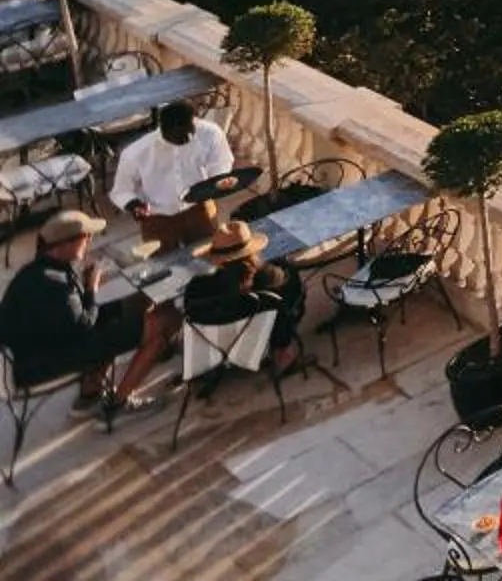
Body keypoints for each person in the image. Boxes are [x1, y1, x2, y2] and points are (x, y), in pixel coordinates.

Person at [0, 210, 174, 416]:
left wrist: (85, 290)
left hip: (38, 352)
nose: (90, 240)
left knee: (136, 303)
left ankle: (90, 393)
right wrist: (92, 288)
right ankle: (118, 405)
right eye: (86, 236)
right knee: (161, 324)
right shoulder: (53, 281)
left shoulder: (35, 271)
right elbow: (84, 325)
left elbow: (66, 315)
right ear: (65, 244)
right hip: (40, 365)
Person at [179, 219, 302, 374]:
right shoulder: (266, 277)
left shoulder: (198, 288)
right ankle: (283, 353)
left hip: (216, 347)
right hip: (253, 340)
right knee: (287, 290)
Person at [109, 102, 234, 250]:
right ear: (163, 129)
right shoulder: (135, 153)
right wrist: (135, 206)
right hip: (157, 217)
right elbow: (121, 191)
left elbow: (221, 162)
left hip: (200, 210)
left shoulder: (211, 133)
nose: (188, 137)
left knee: (209, 253)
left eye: (190, 130)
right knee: (162, 262)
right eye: (180, 134)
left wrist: (216, 183)